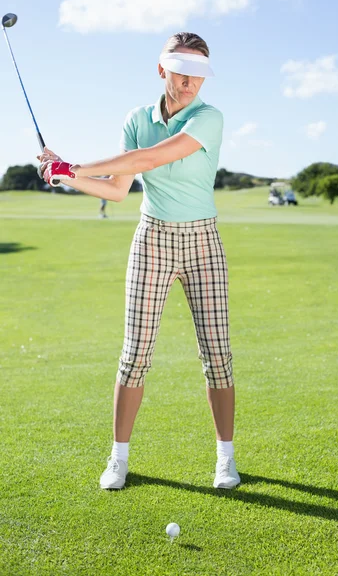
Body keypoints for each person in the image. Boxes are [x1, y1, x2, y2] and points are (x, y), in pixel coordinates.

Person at [38, 32, 240, 491]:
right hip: (151, 241)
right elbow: (116, 187)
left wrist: (73, 166)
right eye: (182, 71)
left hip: (203, 243)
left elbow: (150, 157)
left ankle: (225, 459)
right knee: (134, 357)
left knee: (218, 357)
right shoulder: (137, 118)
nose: (190, 82)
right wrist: (64, 176)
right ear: (161, 69)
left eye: (199, 75)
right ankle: (119, 459)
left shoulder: (209, 118)